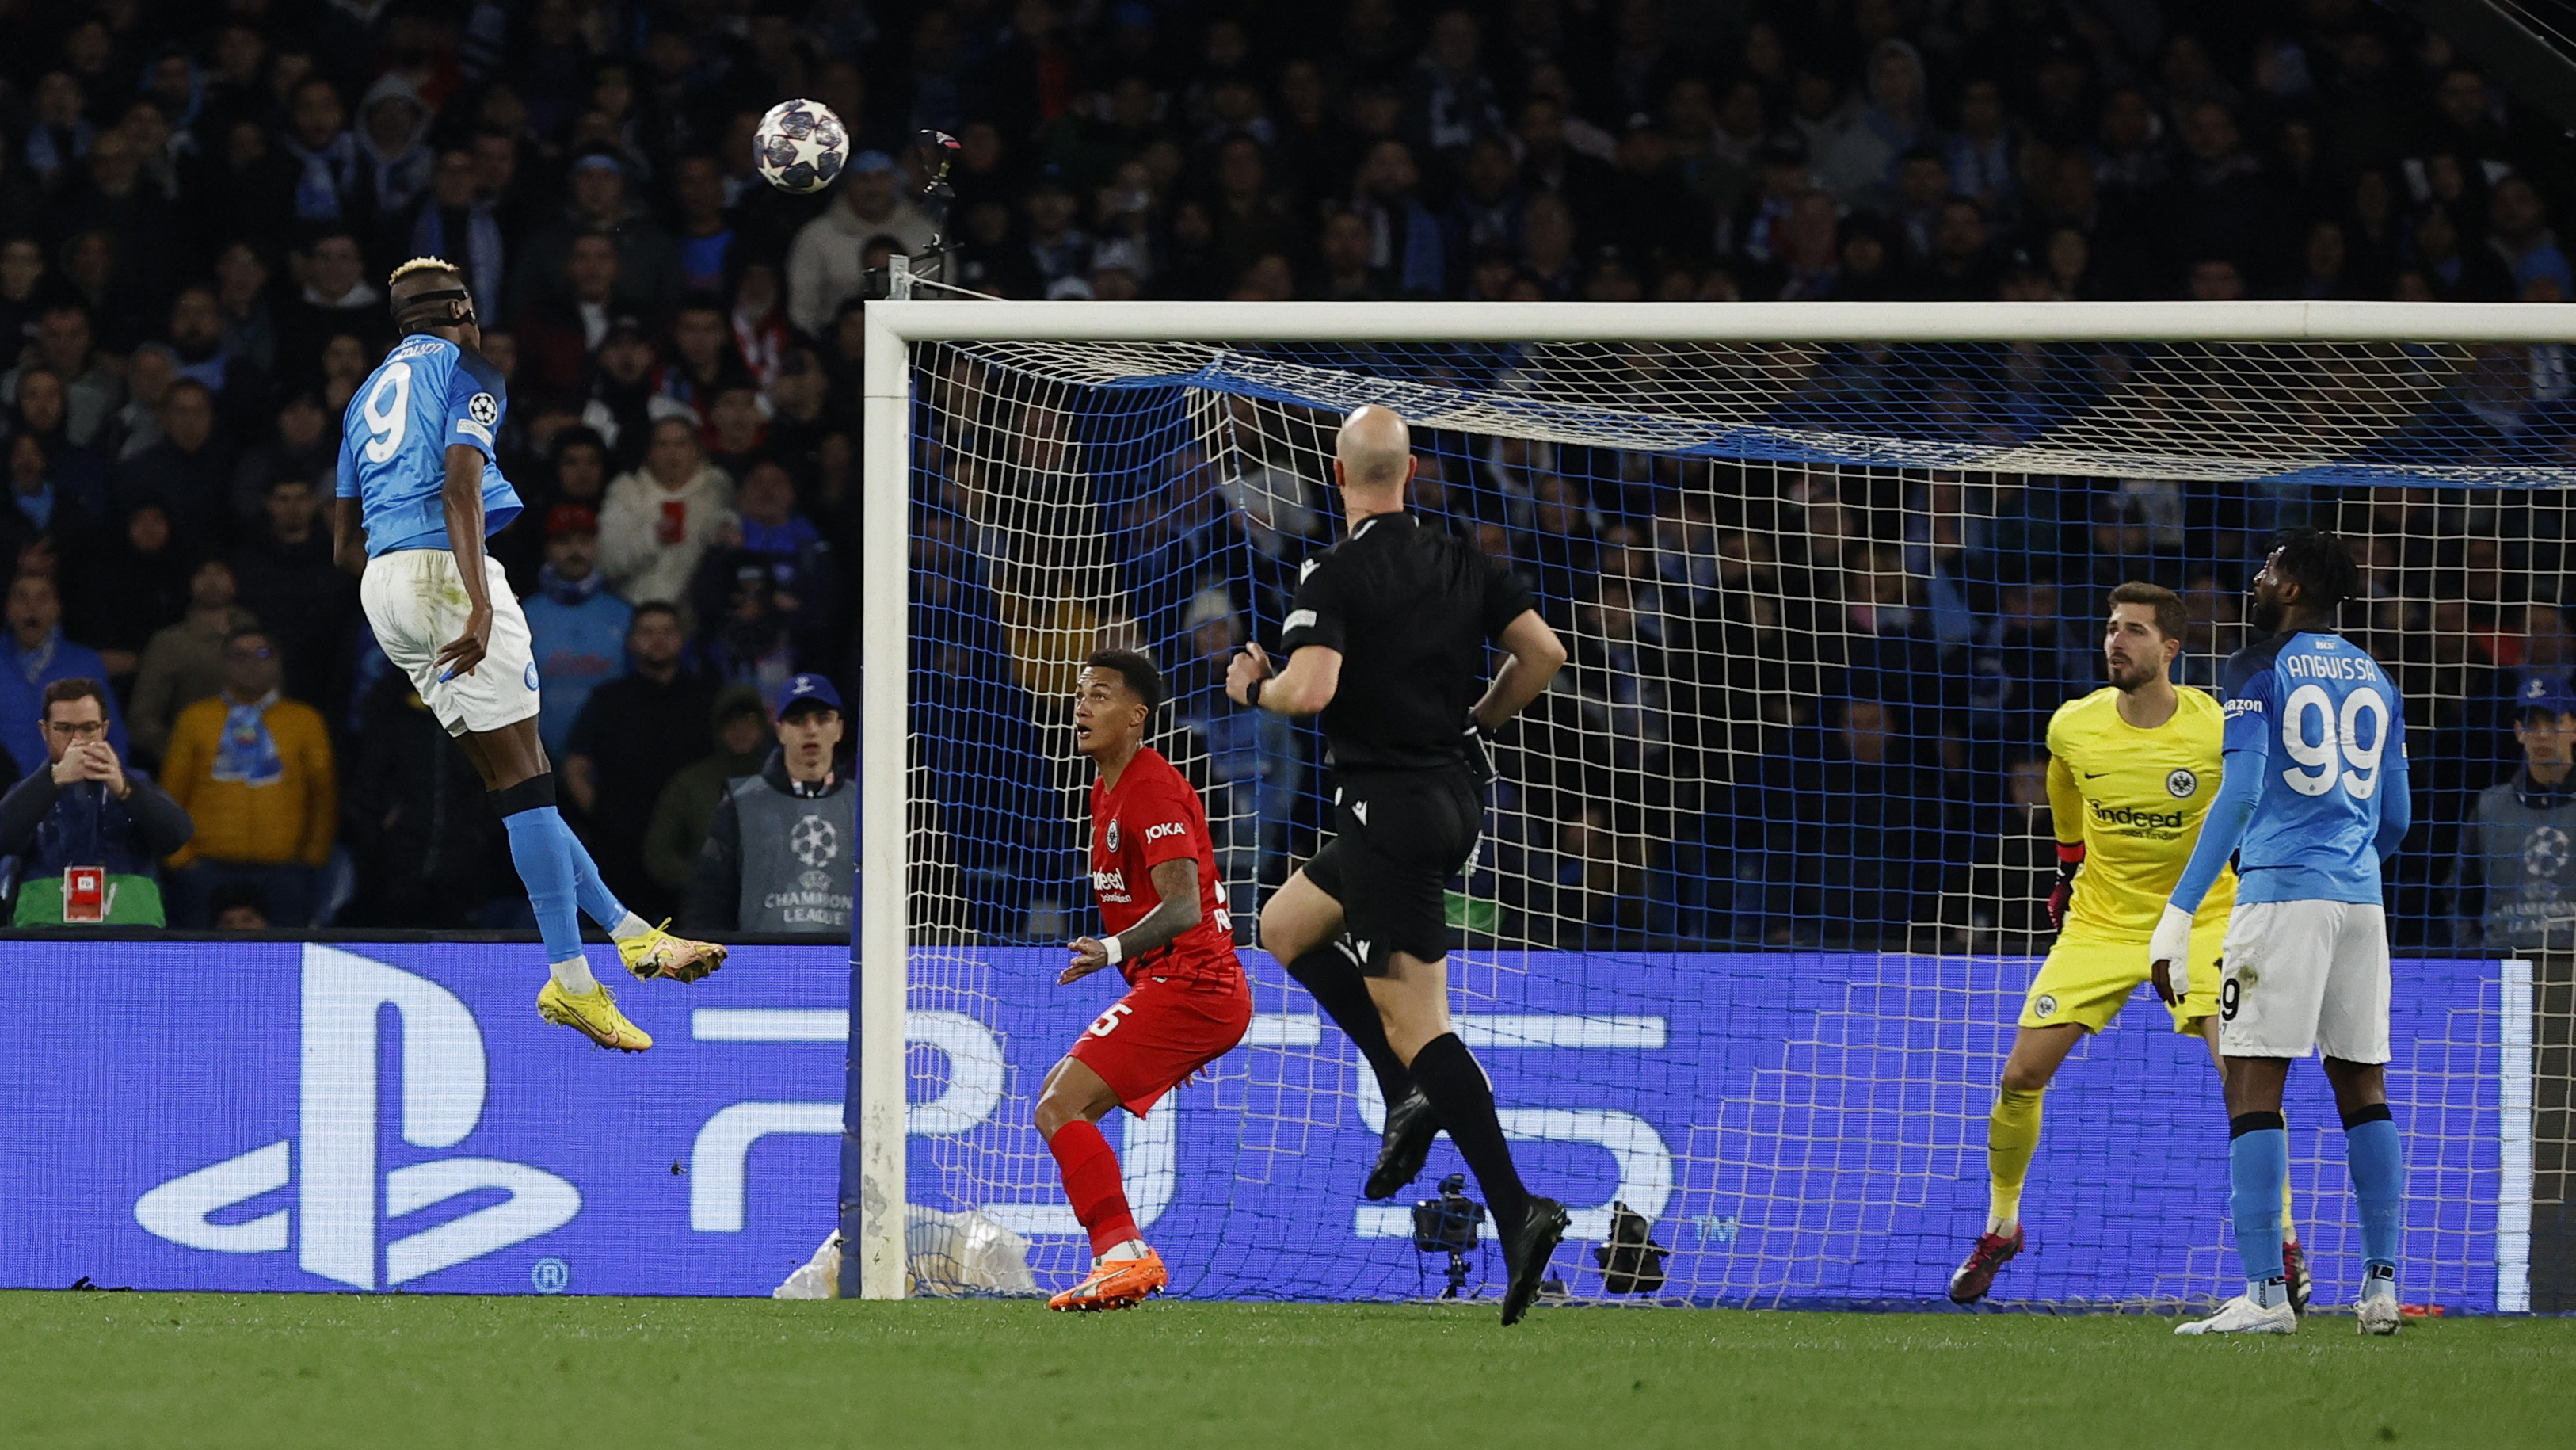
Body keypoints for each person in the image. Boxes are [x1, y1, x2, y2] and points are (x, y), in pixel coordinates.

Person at [1225, 404, 1572, 1325]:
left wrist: (1251, 685)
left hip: (1388, 812)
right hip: (1450, 799)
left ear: (1341, 478)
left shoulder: (1333, 568)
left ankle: (1517, 1209)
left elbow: (1311, 689)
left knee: (1420, 1024)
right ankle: (1404, 1094)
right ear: (1408, 470)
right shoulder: (1463, 555)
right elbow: (1544, 653)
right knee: (1286, 924)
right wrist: (1482, 721)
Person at [332, 254, 724, 1054]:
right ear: (456, 310)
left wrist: (400, 587)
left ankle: (633, 935)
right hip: (448, 575)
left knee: (518, 785)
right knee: (526, 779)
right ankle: (573, 981)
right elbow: (459, 487)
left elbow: (341, 541)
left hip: (384, 586)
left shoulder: (364, 395)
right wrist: (473, 598)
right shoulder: (468, 368)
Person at [1947, 583, 2304, 1307]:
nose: (2118, 641)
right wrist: (2068, 866)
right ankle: (2002, 1225)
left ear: (2171, 649)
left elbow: (2264, 801)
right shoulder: (2074, 726)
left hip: (2207, 921)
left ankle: (2285, 1244)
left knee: (2245, 1084)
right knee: (2020, 1074)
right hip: (2102, 925)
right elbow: (2064, 789)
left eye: (2135, 631)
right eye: (2112, 628)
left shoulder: (2216, 725)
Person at [2153, 530, 2410, 1336]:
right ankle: (2381, 1288)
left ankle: (2267, 1295)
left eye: (2269, 568)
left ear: (2294, 586)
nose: (2257, 580)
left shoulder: (2255, 666)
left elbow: (2242, 790)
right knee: (2362, 1085)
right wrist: (2345, 864)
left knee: (2253, 1086)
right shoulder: (2377, 677)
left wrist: (2181, 909)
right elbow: (2396, 818)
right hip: (2361, 903)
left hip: (2280, 899)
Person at [1037, 650, 1252, 1312]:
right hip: (1178, 987)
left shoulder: (1152, 788)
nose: (1081, 707)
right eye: (1079, 694)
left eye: (1099, 695)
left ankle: (1122, 1256)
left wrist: (1109, 948)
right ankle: (1120, 1256)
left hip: (1195, 984)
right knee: (1069, 1109)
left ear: (1137, 717)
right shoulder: (1106, 787)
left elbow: (1185, 906)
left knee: (1057, 1107)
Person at [159, 628, 335, 928]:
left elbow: (323, 794)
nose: (251, 663)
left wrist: (312, 857)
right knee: (202, 963)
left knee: (284, 963)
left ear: (278, 662)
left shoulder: (305, 721)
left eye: (262, 654)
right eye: (239, 655)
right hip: (206, 868)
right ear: (224, 664)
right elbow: (170, 795)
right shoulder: (195, 719)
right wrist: (182, 861)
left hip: (284, 870)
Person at [0, 678, 192, 926]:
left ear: (104, 729)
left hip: (131, 933)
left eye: (88, 728)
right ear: (44, 731)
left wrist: (125, 790)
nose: (77, 740)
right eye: (64, 728)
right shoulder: (28, 792)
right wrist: (52, 781)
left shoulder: (137, 785)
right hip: (45, 936)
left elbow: (178, 836)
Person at [683, 673, 854, 934]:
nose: (811, 730)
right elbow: (709, 900)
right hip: (763, 966)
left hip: (848, 965)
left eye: (822, 719)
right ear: (779, 730)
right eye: (797, 721)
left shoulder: (864, 804)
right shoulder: (740, 803)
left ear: (839, 728)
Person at [2455, 675, 2576, 949]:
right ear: (2519, 731)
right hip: (2507, 968)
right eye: (2532, 724)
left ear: (2573, 726)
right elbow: (2459, 894)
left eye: (2553, 721)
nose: (2542, 734)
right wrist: (2475, 954)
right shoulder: (2490, 807)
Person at [645, 686, 771, 900]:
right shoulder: (690, 783)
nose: (741, 730)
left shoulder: (782, 780)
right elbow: (658, 854)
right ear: (718, 727)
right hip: (704, 910)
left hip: (772, 909)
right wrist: (704, 881)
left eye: (750, 721)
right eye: (732, 722)